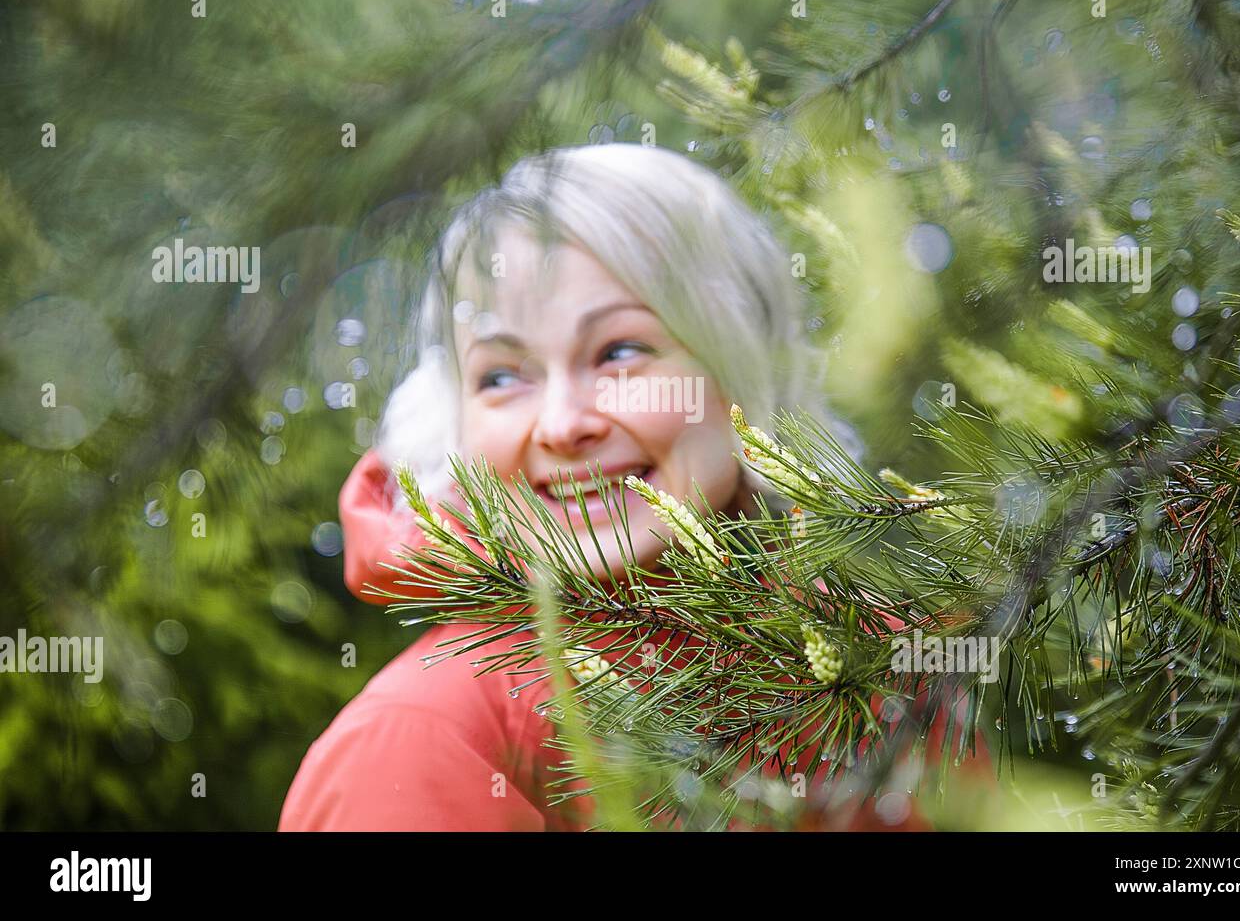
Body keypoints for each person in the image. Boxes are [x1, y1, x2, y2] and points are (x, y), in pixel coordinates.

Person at [279, 143, 982, 831]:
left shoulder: (889, 659)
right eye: (502, 375)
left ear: (739, 370)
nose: (562, 425)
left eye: (619, 352)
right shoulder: (422, 742)